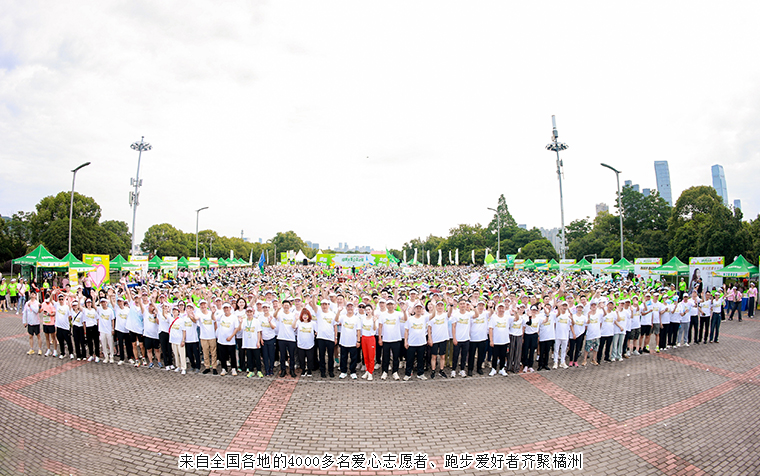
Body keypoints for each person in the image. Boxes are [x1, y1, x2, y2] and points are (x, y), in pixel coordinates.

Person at [312, 295, 337, 378]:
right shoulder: (319, 313)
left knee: (330, 356)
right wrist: (313, 296)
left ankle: (331, 371)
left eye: (326, 304)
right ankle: (322, 371)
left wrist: (335, 337)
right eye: (322, 304)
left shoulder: (332, 314)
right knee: (321, 355)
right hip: (321, 338)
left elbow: (335, 326)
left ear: (328, 305)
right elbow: (314, 305)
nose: (324, 306)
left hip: (330, 338)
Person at [378, 298, 403, 380]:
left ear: (394, 305)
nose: (390, 306)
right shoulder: (383, 315)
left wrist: (404, 311)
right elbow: (380, 326)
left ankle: (395, 372)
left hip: (396, 339)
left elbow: (405, 319)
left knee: (396, 357)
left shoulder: (398, 314)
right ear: (386, 305)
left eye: (391, 304)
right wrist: (380, 338)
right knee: (385, 357)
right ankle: (384, 372)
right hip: (386, 339)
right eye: (388, 304)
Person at [336, 302, 361, 379]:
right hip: (344, 341)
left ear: (353, 308)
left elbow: (358, 330)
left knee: (353, 358)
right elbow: (336, 320)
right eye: (348, 307)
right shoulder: (343, 317)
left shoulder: (356, 318)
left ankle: (353, 372)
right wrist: (339, 311)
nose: (350, 308)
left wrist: (358, 341)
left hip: (353, 342)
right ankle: (343, 371)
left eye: (351, 306)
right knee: (343, 357)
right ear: (346, 308)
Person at [403, 302, 428, 380]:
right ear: (414, 309)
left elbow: (433, 315)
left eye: (420, 308)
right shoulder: (410, 319)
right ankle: (408, 374)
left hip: (422, 342)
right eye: (417, 308)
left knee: (421, 359)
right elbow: (406, 331)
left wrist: (433, 305)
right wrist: (405, 341)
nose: (418, 310)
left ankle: (420, 373)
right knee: (410, 359)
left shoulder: (424, 318)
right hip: (411, 343)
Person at [449, 297, 472, 378]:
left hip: (466, 339)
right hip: (457, 339)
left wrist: (473, 306)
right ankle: (453, 370)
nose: (462, 305)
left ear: (466, 305)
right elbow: (453, 327)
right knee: (455, 355)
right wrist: (454, 338)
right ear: (459, 305)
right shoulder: (456, 315)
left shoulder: (469, 314)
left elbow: (476, 315)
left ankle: (462, 370)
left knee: (464, 356)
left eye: (464, 304)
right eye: (461, 304)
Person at [216, 302, 241, 376]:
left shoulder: (234, 317)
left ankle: (233, 369)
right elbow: (214, 319)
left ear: (230, 308)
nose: (226, 309)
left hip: (230, 340)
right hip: (221, 340)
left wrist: (231, 336)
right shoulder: (221, 316)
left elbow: (236, 328)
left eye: (227, 308)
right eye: (225, 308)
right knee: (222, 356)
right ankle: (224, 369)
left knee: (232, 356)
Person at [275, 300, 297, 378]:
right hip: (281, 338)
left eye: (287, 305)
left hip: (291, 338)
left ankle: (292, 370)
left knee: (292, 356)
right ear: (282, 306)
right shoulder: (280, 314)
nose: (286, 306)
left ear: (290, 306)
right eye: (284, 305)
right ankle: (283, 370)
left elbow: (294, 326)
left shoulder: (293, 315)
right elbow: (275, 316)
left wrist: (296, 319)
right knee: (282, 356)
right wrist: (278, 309)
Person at [241, 306, 263, 378]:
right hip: (247, 342)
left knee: (257, 357)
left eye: (251, 312)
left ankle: (259, 370)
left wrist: (258, 342)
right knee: (249, 358)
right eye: (248, 312)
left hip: (255, 342)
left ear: (253, 313)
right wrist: (240, 322)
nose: (249, 313)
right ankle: (251, 371)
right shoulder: (244, 321)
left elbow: (258, 332)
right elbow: (239, 329)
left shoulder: (256, 321)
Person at [197, 299, 218, 374]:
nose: (203, 306)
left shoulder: (211, 313)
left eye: (204, 304)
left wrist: (215, 333)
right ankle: (207, 367)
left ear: (207, 305)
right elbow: (195, 318)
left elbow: (214, 321)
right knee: (205, 353)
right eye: (201, 305)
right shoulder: (199, 314)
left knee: (213, 353)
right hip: (203, 337)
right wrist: (191, 315)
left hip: (212, 336)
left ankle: (214, 367)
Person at [294, 307, 316, 376]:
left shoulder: (312, 323)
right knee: (301, 359)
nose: (305, 316)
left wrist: (315, 335)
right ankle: (303, 370)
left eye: (306, 315)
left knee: (310, 358)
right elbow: (293, 327)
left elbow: (317, 331)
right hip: (301, 344)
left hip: (310, 344)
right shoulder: (299, 322)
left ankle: (309, 370)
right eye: (303, 315)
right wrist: (296, 319)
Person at [359, 303, 378, 380]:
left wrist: (374, 322)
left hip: (371, 338)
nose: (368, 311)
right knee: (365, 356)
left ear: (372, 310)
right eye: (366, 310)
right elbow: (361, 329)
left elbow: (374, 329)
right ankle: (367, 370)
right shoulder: (363, 319)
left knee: (371, 356)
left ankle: (370, 372)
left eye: (369, 309)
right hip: (364, 338)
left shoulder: (374, 318)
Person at [54, 292, 74, 360]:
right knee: (60, 341)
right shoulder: (57, 305)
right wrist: (52, 294)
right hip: (59, 327)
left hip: (66, 327)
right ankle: (62, 353)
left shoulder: (66, 307)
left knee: (68, 341)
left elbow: (70, 316)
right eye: (59, 299)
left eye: (62, 299)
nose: (61, 300)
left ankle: (71, 353)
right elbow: (51, 301)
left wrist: (66, 321)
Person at [167, 305, 187, 375]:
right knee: (176, 354)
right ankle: (178, 366)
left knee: (182, 354)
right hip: (173, 340)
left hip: (179, 340)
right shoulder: (171, 319)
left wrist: (183, 340)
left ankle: (183, 368)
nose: (174, 312)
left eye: (176, 311)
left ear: (178, 312)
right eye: (173, 311)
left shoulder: (181, 320)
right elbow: (164, 315)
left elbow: (184, 330)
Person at [183, 303, 201, 373]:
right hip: (187, 340)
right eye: (188, 308)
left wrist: (191, 316)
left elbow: (195, 321)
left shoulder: (194, 316)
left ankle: (198, 367)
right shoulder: (184, 318)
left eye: (190, 308)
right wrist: (183, 339)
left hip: (194, 340)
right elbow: (184, 329)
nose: (189, 309)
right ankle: (193, 365)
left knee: (196, 354)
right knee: (190, 355)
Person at [567, 303, 586, 367]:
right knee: (572, 348)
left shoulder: (584, 317)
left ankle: (575, 361)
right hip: (573, 334)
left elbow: (585, 325)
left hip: (580, 334)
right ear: (576, 308)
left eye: (581, 308)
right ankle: (571, 361)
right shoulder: (573, 316)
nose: (579, 309)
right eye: (578, 307)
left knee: (577, 349)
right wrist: (574, 334)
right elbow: (572, 325)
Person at [97, 297, 115, 363]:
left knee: (110, 344)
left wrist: (113, 329)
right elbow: (93, 305)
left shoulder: (110, 310)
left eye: (104, 302)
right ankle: (106, 357)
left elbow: (112, 320)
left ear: (106, 303)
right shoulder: (99, 309)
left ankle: (111, 357)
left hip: (109, 330)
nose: (103, 304)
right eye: (102, 302)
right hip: (102, 330)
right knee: (103, 345)